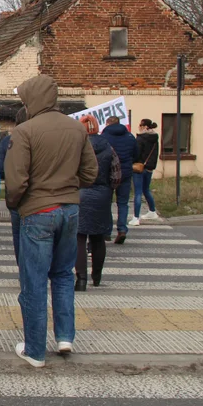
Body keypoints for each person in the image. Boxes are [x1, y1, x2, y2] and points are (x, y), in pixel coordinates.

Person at [5, 75, 98, 367]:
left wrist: (16, 204)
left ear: (33, 99)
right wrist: (68, 187)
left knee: (34, 281)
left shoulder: (24, 132)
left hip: (37, 211)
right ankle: (65, 337)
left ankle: (34, 350)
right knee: (62, 275)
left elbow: (16, 181)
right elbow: (90, 173)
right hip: (70, 209)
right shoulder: (76, 128)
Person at [75, 116, 121, 291]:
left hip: (80, 194)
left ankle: (81, 279)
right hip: (102, 195)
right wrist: (108, 190)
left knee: (79, 237)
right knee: (98, 237)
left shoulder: (77, 147)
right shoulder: (109, 148)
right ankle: (97, 276)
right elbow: (116, 177)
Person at [0, 108, 28, 263]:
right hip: (43, 197)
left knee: (19, 235)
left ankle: (23, 269)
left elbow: (0, 167)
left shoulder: (8, 141)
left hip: (15, 194)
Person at [101, 115, 137, 244]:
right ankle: (122, 230)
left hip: (108, 173)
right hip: (126, 173)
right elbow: (136, 154)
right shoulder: (130, 137)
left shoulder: (104, 137)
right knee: (122, 203)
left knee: (107, 203)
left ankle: (106, 231)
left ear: (107, 123)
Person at [133, 119, 160, 221]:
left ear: (144, 127)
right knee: (146, 190)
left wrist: (132, 161)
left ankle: (136, 218)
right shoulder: (154, 138)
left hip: (139, 167)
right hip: (149, 168)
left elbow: (136, 154)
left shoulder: (140, 139)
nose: (139, 126)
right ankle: (152, 211)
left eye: (140, 124)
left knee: (138, 192)